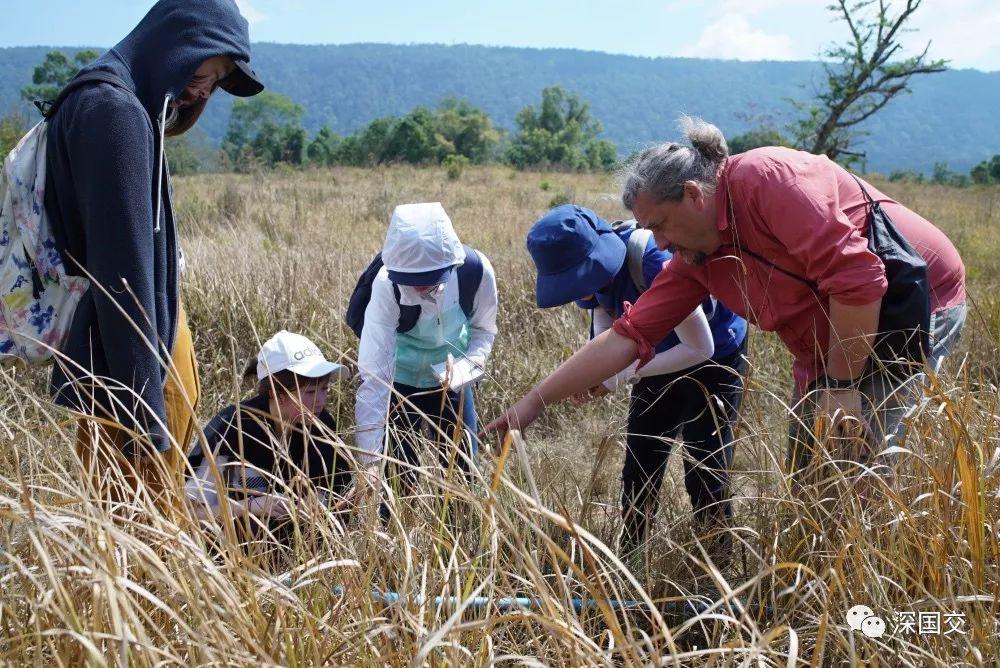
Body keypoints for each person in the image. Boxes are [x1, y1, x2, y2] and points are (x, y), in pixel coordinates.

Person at [487, 117, 966, 498]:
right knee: (811, 479)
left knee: (856, 470)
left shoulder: (766, 180)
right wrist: (531, 404)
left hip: (909, 302)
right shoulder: (694, 257)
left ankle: (857, 604)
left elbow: (858, 279)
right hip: (828, 338)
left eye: (660, 224)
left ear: (695, 196)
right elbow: (629, 335)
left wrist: (841, 388)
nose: (658, 241)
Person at [43, 0, 265, 511]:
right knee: (143, 541)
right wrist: (145, 418)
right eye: (206, 69)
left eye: (216, 79)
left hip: (129, 373)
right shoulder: (114, 113)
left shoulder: (112, 102)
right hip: (134, 383)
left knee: (135, 533)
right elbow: (124, 278)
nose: (204, 89)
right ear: (178, 39)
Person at [526, 204, 747, 551]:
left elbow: (698, 348)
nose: (575, 293)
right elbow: (605, 323)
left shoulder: (653, 260)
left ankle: (717, 558)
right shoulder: (594, 278)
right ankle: (631, 556)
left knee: (704, 464)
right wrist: (599, 374)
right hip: (652, 357)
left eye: (575, 282)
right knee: (640, 464)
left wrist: (621, 374)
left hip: (713, 359)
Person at [354, 202, 498, 510]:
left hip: (452, 379)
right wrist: (369, 463)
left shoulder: (476, 270)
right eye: (411, 281)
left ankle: (461, 536)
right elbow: (374, 378)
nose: (421, 287)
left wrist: (464, 370)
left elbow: (484, 332)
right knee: (397, 476)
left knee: (464, 471)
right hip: (399, 382)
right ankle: (391, 546)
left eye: (432, 279)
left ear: (451, 264)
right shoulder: (385, 286)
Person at [185, 331, 353, 544]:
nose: (320, 401)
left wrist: (318, 504)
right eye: (310, 392)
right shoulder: (231, 429)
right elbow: (189, 512)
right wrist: (254, 506)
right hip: (235, 550)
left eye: (325, 389)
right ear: (276, 392)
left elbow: (341, 493)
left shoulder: (322, 424)